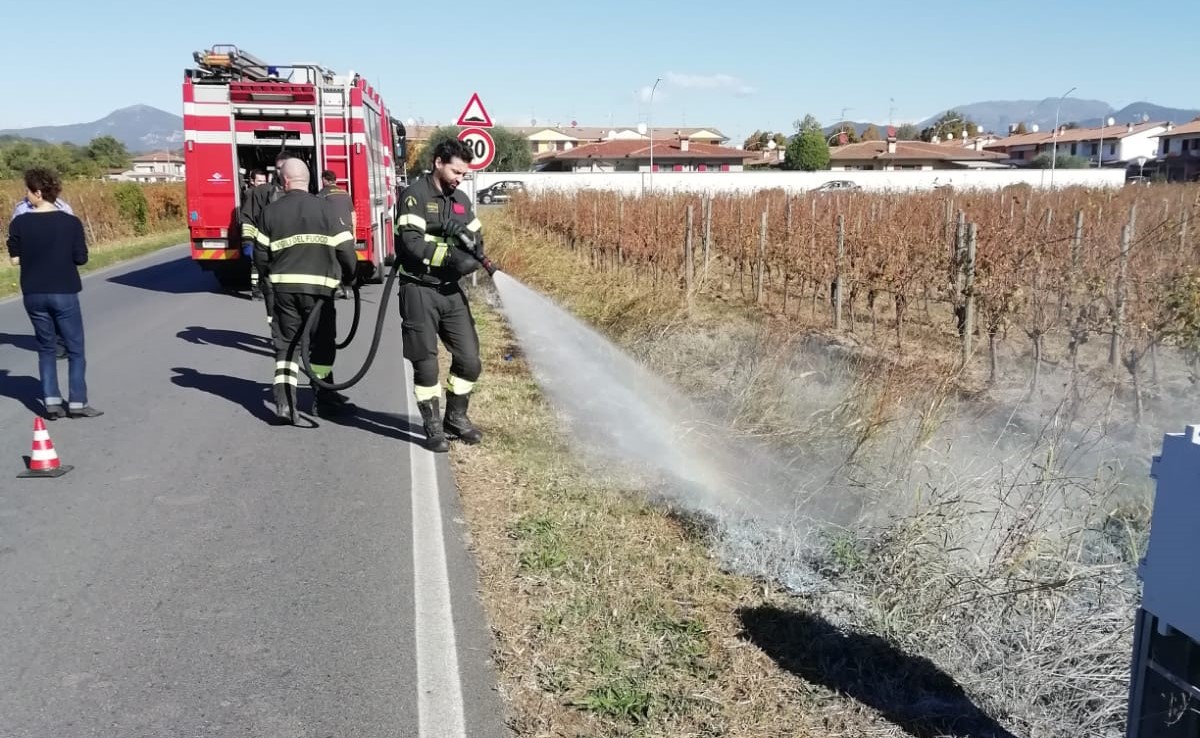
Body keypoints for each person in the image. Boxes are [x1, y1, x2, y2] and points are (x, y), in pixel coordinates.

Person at [394, 138, 491, 452]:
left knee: (470, 360)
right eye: (455, 172)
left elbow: (476, 238)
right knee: (426, 364)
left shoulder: (461, 199)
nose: (459, 179)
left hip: (451, 291)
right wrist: (450, 257)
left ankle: (455, 417)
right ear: (438, 162)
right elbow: (411, 243)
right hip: (419, 289)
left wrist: (471, 249)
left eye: (464, 174)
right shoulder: (415, 196)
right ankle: (433, 425)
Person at [254, 158, 357, 423]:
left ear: (284, 181)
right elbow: (346, 249)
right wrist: (349, 276)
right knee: (321, 345)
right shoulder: (326, 209)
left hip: (284, 292)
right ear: (309, 180)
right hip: (320, 292)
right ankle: (323, 398)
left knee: (287, 346)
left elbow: (260, 255)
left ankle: (285, 403)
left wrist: (268, 279)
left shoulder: (270, 212)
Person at [6, 168, 102, 420]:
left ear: (38, 193)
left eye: (28, 191)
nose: (27, 196)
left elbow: (15, 259)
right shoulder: (71, 223)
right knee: (75, 349)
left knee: (46, 348)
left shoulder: (19, 223)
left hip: (33, 292)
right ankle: (78, 402)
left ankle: (51, 402)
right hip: (64, 290)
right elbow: (80, 258)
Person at [12, 194, 72, 359]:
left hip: (58, 265)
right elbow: (15, 237)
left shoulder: (63, 207)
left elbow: (71, 234)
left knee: (59, 307)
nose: (28, 193)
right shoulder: (21, 209)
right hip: (34, 266)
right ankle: (55, 345)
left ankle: (63, 341)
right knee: (43, 309)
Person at [241, 155, 289, 304]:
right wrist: (248, 241)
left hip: (285, 246)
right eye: (279, 168)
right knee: (259, 266)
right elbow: (248, 217)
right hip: (263, 241)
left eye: (285, 167)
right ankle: (258, 290)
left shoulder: (302, 195)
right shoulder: (260, 192)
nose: (282, 171)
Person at [317, 169, 355, 299]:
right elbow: (353, 214)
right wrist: (353, 233)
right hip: (346, 233)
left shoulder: (322, 194)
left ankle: (337, 287)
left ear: (324, 180)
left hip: (331, 234)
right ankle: (348, 287)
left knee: (332, 261)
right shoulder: (345, 193)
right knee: (346, 262)